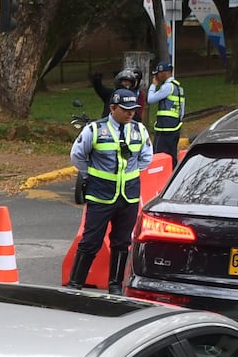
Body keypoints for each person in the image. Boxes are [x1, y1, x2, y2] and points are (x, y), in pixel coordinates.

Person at [67, 88, 153, 295]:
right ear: (112, 108)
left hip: (128, 197)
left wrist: (132, 172)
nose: (130, 113)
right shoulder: (95, 130)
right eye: (125, 109)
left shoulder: (139, 130)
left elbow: (146, 157)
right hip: (101, 195)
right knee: (90, 241)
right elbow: (77, 155)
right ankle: (75, 284)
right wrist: (90, 175)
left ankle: (115, 285)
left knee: (122, 242)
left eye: (133, 109)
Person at [146, 61, 184, 166]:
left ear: (165, 73)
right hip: (175, 127)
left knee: (159, 155)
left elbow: (150, 99)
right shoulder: (179, 88)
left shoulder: (167, 87)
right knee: (172, 156)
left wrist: (153, 85)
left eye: (158, 73)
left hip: (164, 128)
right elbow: (182, 110)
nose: (157, 76)